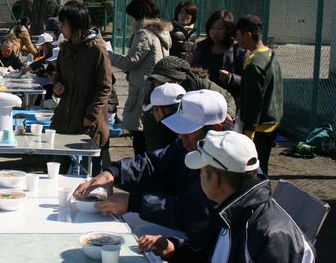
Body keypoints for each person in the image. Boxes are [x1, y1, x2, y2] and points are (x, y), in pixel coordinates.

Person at [139, 130, 315, 263]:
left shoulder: (274, 237)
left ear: (215, 179)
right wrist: (173, 250)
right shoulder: (232, 210)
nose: (199, 177)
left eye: (201, 172)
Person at [74, 90, 228, 243]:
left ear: (216, 129)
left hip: (203, 243)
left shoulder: (225, 165)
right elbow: (153, 163)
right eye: (180, 131)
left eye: (187, 132)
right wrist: (113, 172)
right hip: (185, 226)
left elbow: (195, 215)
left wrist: (134, 203)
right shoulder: (187, 145)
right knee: (119, 223)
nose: (181, 137)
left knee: (133, 235)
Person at [50, 1, 112, 173]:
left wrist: (91, 115)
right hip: (65, 119)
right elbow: (59, 76)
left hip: (88, 122)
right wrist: (57, 86)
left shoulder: (97, 50)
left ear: (76, 25)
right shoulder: (65, 49)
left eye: (63, 24)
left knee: (89, 173)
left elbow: (105, 87)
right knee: (57, 167)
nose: (60, 27)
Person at [107, 0, 172, 155]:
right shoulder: (161, 32)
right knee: (154, 140)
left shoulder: (144, 34)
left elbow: (130, 62)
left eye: (132, 17)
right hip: (156, 90)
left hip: (143, 93)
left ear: (138, 15)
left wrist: (107, 53)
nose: (131, 21)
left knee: (141, 142)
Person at [142, 56, 236, 152]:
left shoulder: (199, 85)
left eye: (165, 81)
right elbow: (154, 146)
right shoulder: (154, 103)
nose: (161, 86)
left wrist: (226, 114)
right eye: (156, 82)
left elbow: (227, 98)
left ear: (180, 80)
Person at [235, 15, 283, 175]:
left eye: (237, 34)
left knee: (255, 170)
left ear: (247, 35)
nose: (236, 39)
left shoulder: (253, 63)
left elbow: (253, 102)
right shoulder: (269, 54)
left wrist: (249, 131)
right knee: (263, 165)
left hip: (259, 127)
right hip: (273, 121)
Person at [192, 10, 247, 98]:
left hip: (228, 100)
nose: (215, 32)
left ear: (228, 30)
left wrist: (230, 78)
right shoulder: (201, 47)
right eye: (212, 28)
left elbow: (247, 81)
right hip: (203, 98)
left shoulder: (238, 50)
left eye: (220, 29)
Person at [141, 83, 186, 151]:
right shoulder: (195, 121)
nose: (153, 114)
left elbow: (155, 153)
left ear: (158, 109)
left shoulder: (164, 132)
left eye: (153, 111)